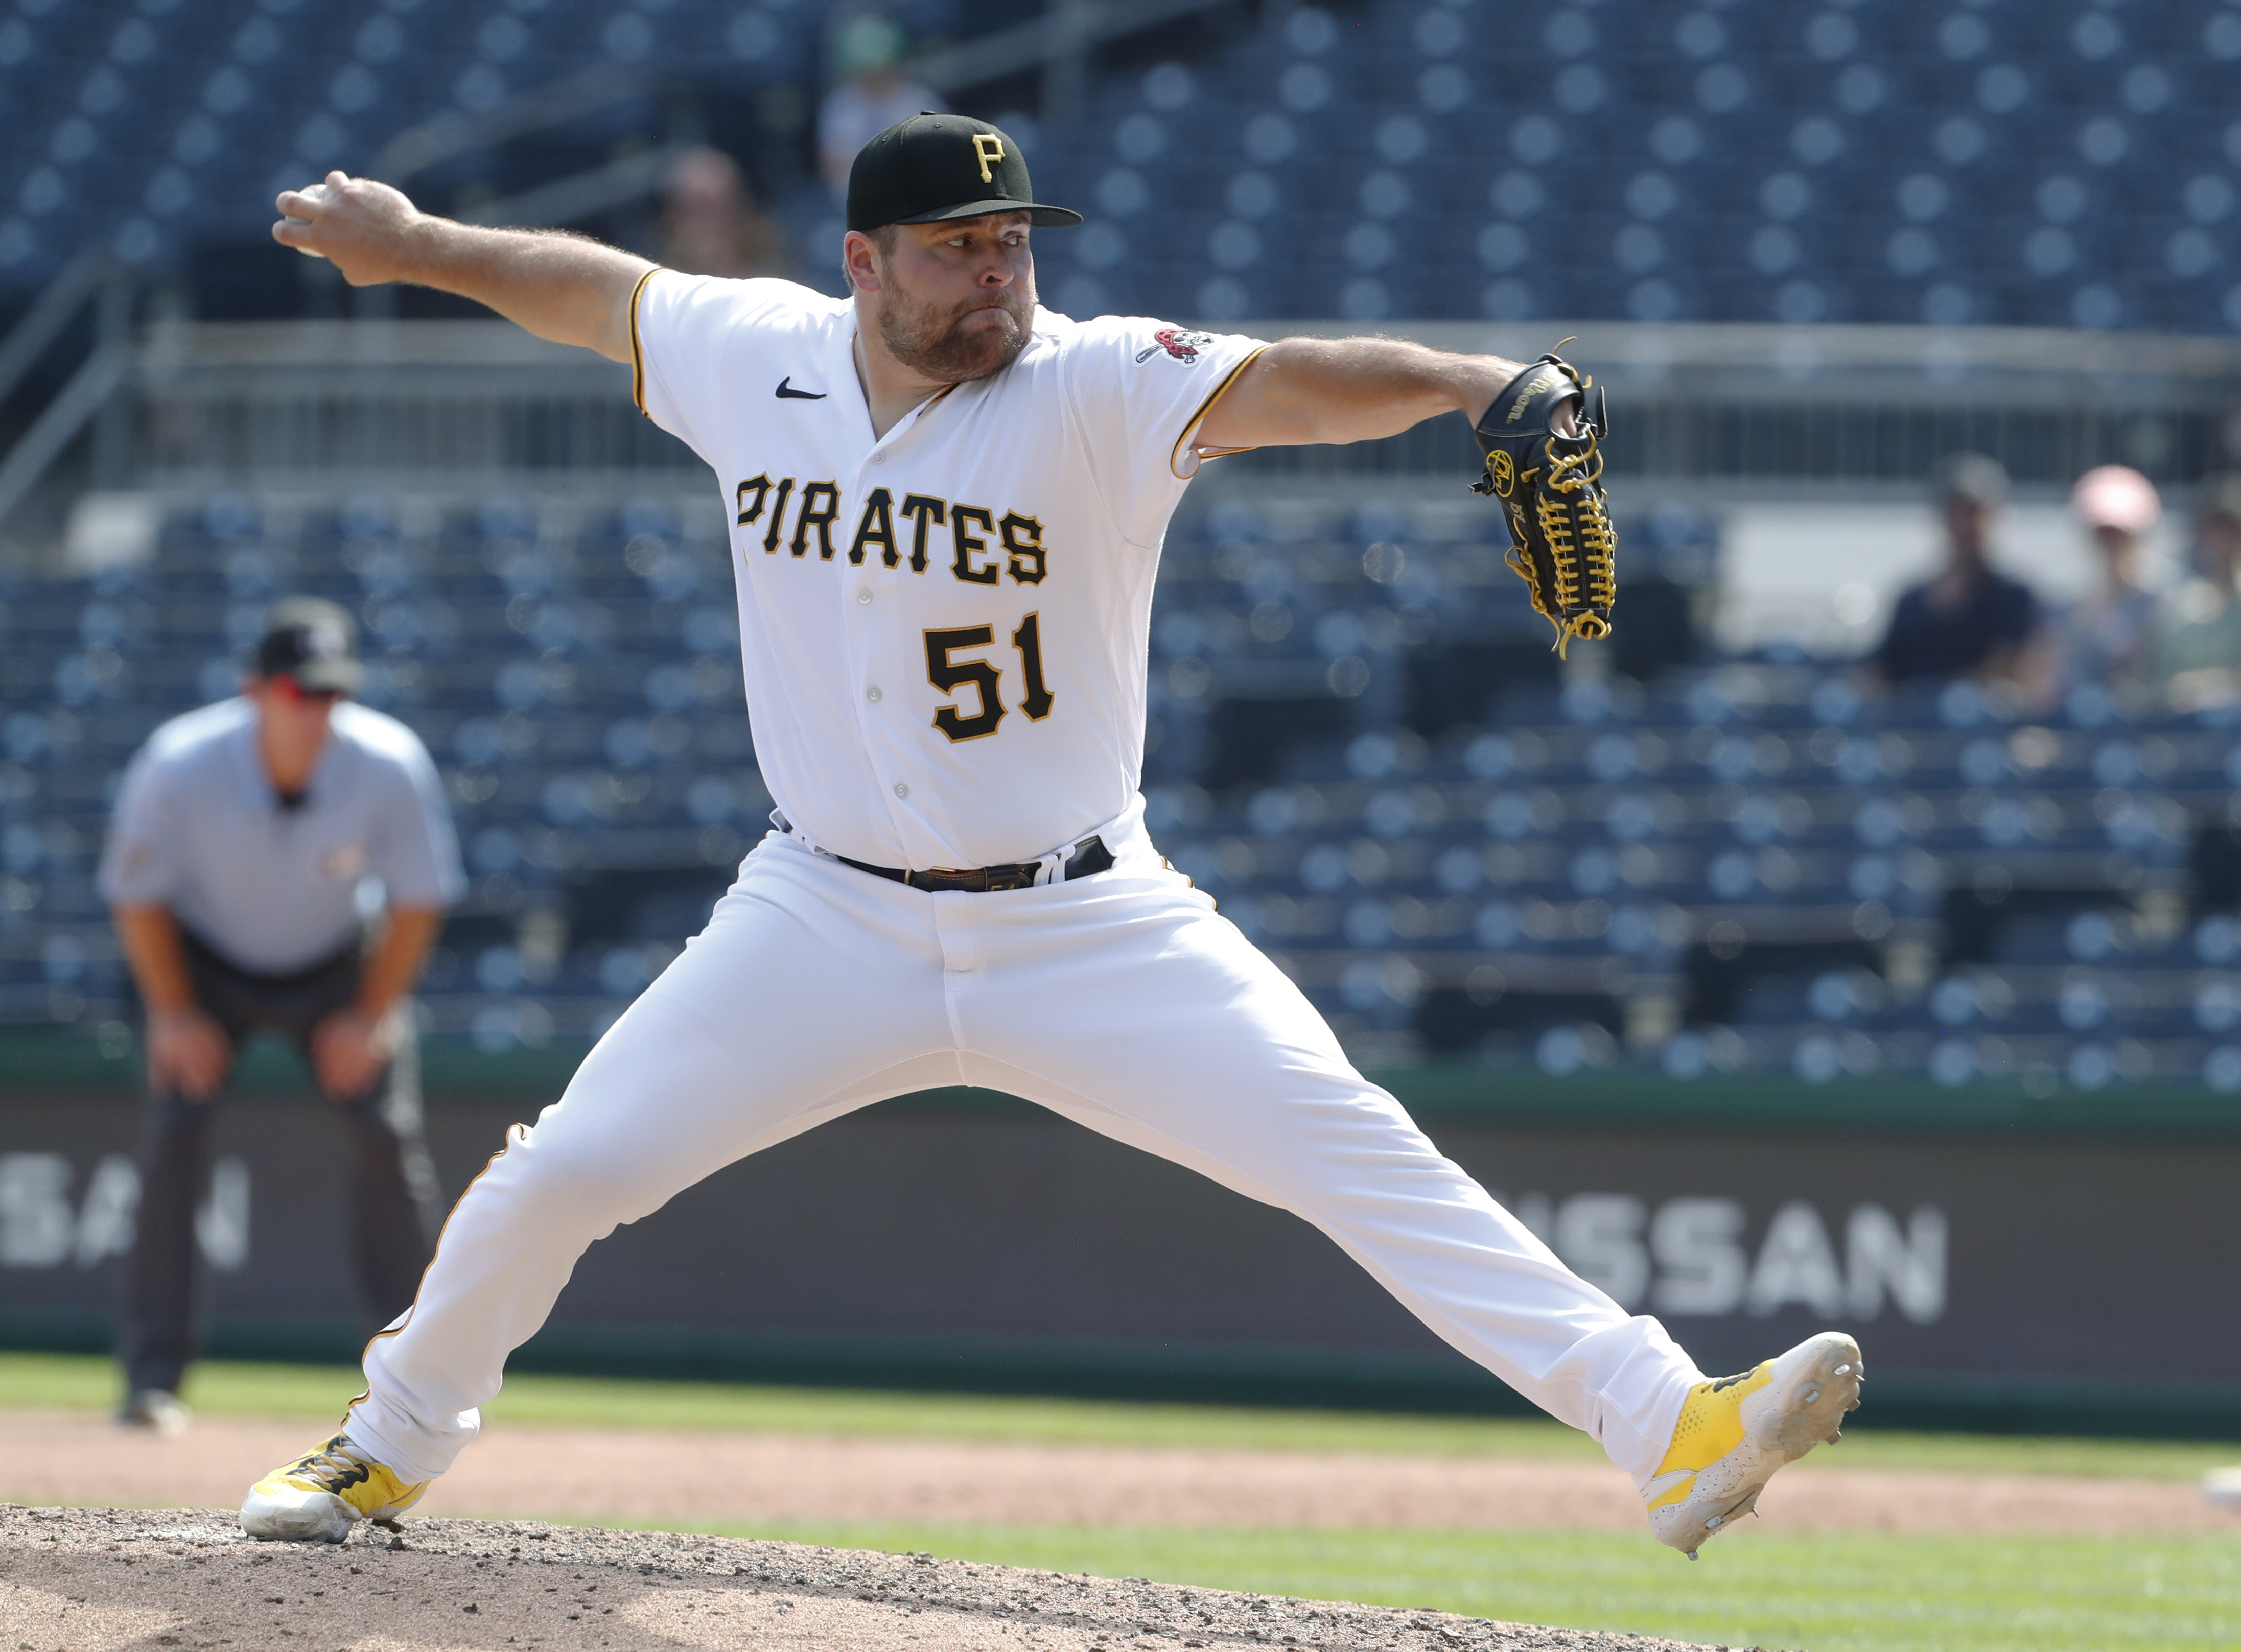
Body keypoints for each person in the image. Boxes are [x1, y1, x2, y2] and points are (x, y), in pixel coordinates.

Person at [249, 116, 1862, 1561]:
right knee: (563, 1173)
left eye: (1014, 238)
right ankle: (386, 1449)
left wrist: (1465, 386)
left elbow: (1291, 380)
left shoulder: (1093, 381)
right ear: (863, 262)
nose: (998, 271)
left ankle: (1669, 1427)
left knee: (1352, 1148)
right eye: (959, 246)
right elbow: (589, 289)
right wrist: (412, 250)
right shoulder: (760, 353)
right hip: (820, 913)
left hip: (1084, 921)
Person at [98, 599, 465, 1433]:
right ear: (254, 690)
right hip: (201, 962)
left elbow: (419, 898)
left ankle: (418, 1387)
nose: (317, 712)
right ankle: (152, 1377)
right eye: (300, 693)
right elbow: (136, 894)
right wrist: (173, 1012)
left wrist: (372, 1014)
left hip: (338, 962)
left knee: (385, 1135)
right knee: (172, 1135)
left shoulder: (387, 760)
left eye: (331, 695)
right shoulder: (180, 760)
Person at [1873, 452, 2044, 694]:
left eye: (1975, 512)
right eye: (1958, 512)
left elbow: (2016, 673)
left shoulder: (2015, 597)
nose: (1967, 525)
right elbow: (1882, 674)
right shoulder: (1911, 602)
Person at [2051, 464, 2162, 696]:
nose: (2111, 543)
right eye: (2103, 533)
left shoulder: (2166, 602)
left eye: (2120, 534)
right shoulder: (2068, 606)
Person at [817, 15, 943, 198]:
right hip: (857, 201)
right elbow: (834, 167)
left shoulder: (920, 100)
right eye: (866, 71)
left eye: (881, 69)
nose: (874, 77)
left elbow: (940, 157)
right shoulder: (841, 107)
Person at [2147, 474, 2241, 713]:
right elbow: (2154, 678)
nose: (2225, 540)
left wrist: (2205, 685)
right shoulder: (2179, 606)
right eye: (2217, 528)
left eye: (2233, 529)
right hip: (2183, 731)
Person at [659, 146, 791, 281]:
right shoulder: (663, 286)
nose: (711, 225)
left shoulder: (775, 273)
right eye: (699, 209)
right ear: (674, 220)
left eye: (721, 209)